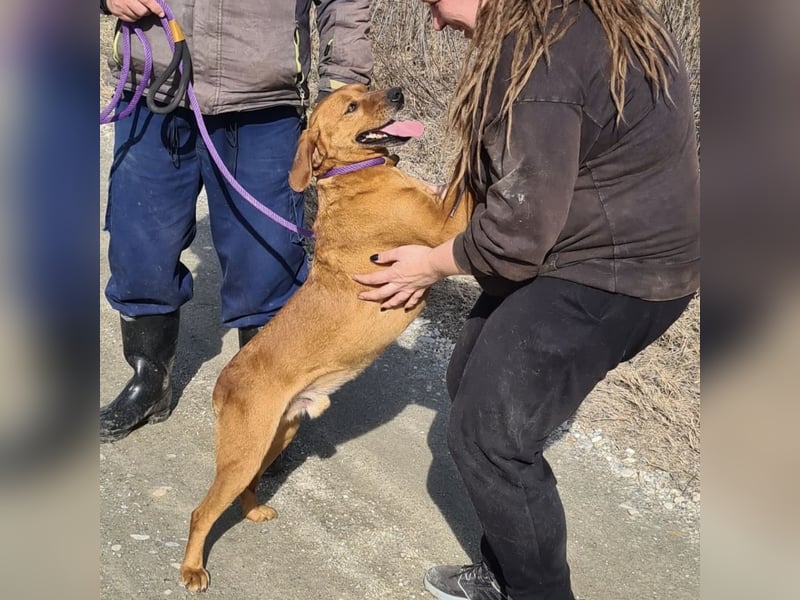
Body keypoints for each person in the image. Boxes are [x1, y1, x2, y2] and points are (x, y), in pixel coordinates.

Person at [353, 0, 699, 599]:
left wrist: (430, 264)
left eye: (434, 3)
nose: (434, 20)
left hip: (615, 273)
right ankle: (507, 570)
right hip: (594, 245)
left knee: (492, 437)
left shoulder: (540, 50)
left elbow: (519, 230)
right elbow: (548, 164)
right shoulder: (573, 20)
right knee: (469, 382)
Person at [99, 0, 373, 443]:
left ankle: (265, 405)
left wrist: (343, 85)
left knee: (266, 260)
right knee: (139, 246)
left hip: (263, 101)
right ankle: (149, 382)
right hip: (155, 87)